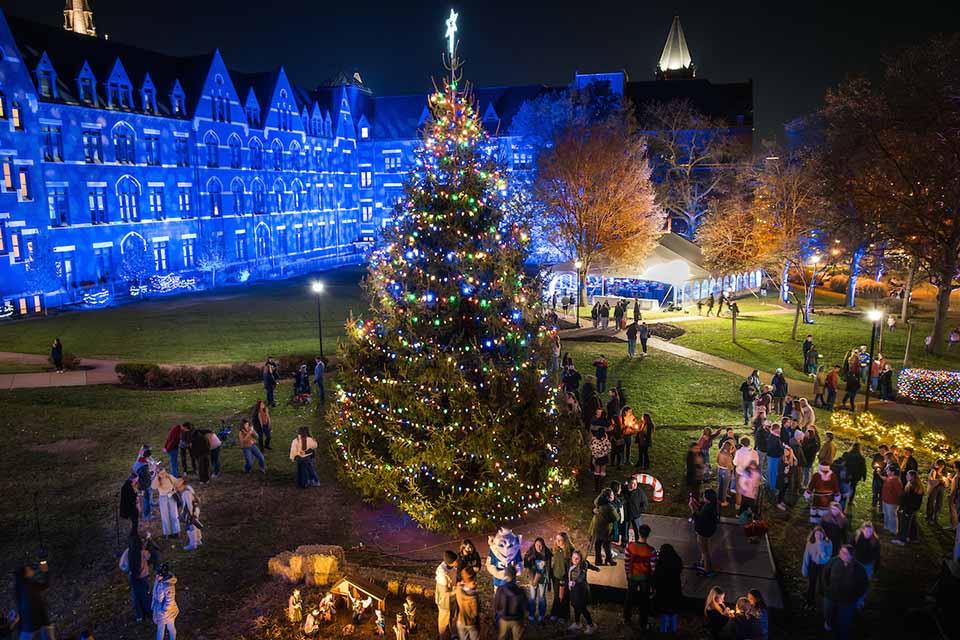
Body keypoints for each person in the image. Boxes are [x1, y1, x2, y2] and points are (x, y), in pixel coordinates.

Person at [820, 545, 868, 637]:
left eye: (845, 553)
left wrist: (855, 596)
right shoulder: (834, 561)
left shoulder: (858, 568)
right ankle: (828, 625)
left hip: (847, 600)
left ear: (851, 555)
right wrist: (826, 588)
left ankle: (841, 634)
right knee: (828, 613)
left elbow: (864, 584)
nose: (841, 554)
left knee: (844, 621)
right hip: (831, 595)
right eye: (841, 552)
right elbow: (825, 573)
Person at [623, 523, 656, 628]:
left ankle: (626, 618)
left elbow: (626, 561)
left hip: (632, 576)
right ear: (648, 535)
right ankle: (643, 622)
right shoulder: (651, 551)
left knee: (629, 598)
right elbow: (653, 568)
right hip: (644, 579)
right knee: (644, 601)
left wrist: (627, 573)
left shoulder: (630, 546)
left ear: (639, 533)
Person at [14, 561, 54, 640]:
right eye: (29, 570)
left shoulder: (20, 586)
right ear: (25, 573)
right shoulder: (29, 585)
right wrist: (46, 572)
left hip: (28, 624)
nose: (32, 570)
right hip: (35, 622)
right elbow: (45, 585)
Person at [119, 532, 153, 622]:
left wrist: (129, 569)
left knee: (135, 595)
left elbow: (122, 565)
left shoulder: (127, 551)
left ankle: (139, 616)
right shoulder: (142, 552)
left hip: (132, 577)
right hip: (143, 578)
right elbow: (149, 556)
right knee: (145, 595)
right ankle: (149, 612)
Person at [567, 551, 598, 634]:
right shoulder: (571, 565)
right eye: (573, 558)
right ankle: (577, 623)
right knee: (575, 606)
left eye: (577, 558)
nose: (574, 560)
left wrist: (575, 582)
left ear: (581, 559)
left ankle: (591, 625)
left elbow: (582, 576)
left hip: (581, 589)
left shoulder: (583, 565)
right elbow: (591, 566)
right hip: (573, 590)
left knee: (582, 607)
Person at [653, 543, 682, 634]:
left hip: (663, 593)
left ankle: (664, 630)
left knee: (664, 612)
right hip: (675, 591)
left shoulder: (660, 564)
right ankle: (673, 630)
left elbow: (656, 577)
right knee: (673, 612)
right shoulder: (677, 562)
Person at [802, 526, 833, 607]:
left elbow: (827, 558)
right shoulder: (810, 543)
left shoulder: (828, 543)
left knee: (823, 583)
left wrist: (821, 546)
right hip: (813, 565)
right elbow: (806, 556)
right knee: (812, 583)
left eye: (820, 534)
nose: (818, 536)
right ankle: (809, 600)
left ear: (823, 534)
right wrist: (804, 569)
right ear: (814, 535)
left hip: (823, 566)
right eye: (817, 534)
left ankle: (822, 603)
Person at [523, 537, 551, 624]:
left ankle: (541, 614)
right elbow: (527, 567)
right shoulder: (530, 554)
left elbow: (549, 567)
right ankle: (531, 614)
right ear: (534, 545)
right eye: (537, 545)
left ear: (544, 545)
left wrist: (548, 579)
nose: (539, 547)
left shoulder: (547, 553)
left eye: (541, 545)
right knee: (532, 597)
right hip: (533, 579)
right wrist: (532, 579)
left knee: (542, 597)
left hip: (543, 579)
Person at [494, 565, 527, 640]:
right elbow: (525, 606)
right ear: (515, 576)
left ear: (506, 576)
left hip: (504, 618)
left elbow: (496, 605)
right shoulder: (521, 591)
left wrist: (498, 613)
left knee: (502, 637)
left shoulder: (500, 590)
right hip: (517, 619)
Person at [892, 470, 923, 545]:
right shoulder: (913, 485)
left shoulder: (913, 487)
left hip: (909, 508)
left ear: (912, 477)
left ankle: (902, 539)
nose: (906, 476)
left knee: (904, 523)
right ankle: (913, 537)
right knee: (912, 523)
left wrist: (902, 506)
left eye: (907, 475)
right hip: (912, 508)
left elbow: (908, 499)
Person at [694, 489, 719, 576]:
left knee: (704, 551)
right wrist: (696, 504)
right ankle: (703, 563)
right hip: (709, 531)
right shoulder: (712, 506)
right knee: (705, 549)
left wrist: (692, 509)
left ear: (707, 498)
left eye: (704, 496)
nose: (703, 497)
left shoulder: (706, 510)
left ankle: (707, 570)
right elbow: (702, 511)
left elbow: (698, 519)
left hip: (703, 532)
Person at [589, 488, 617, 566]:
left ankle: (598, 560)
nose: (613, 496)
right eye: (611, 495)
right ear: (608, 497)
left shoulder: (598, 503)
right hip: (605, 528)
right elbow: (616, 517)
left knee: (598, 544)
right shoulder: (609, 507)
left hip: (597, 527)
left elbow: (595, 504)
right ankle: (609, 559)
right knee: (607, 545)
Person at [549, 533, 573, 623]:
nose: (558, 541)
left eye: (560, 540)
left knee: (564, 597)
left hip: (566, 577)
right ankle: (555, 613)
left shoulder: (570, 551)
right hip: (556, 577)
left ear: (565, 540)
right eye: (557, 539)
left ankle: (564, 616)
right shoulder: (555, 550)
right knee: (556, 596)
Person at [152, 564, 179, 640]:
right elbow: (155, 593)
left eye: (158, 574)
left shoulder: (168, 586)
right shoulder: (159, 581)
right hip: (160, 610)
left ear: (163, 575)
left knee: (169, 627)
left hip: (166, 612)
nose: (156, 576)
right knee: (161, 628)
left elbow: (169, 600)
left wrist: (164, 611)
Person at [152, 467, 181, 538]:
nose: (163, 474)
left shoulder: (169, 477)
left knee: (174, 514)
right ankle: (167, 533)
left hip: (171, 496)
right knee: (165, 516)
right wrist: (156, 477)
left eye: (164, 472)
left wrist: (175, 489)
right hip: (163, 498)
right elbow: (153, 487)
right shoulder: (157, 480)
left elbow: (177, 482)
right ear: (158, 474)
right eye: (161, 473)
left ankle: (176, 531)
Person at [435, 550, 457, 640]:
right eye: (456, 561)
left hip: (452, 599)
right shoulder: (442, 575)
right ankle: (442, 636)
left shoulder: (452, 567)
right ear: (451, 562)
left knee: (453, 617)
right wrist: (457, 590)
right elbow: (444, 593)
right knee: (443, 620)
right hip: (444, 601)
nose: (458, 562)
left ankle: (453, 635)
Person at [455, 568, 481, 640]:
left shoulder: (458, 589)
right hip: (471, 623)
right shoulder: (474, 597)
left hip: (460, 620)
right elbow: (475, 612)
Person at [776, 445, 803, 511]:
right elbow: (779, 469)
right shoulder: (782, 458)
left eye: (787, 451)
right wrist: (784, 471)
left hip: (788, 478)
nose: (785, 452)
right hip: (782, 478)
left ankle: (781, 501)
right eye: (784, 451)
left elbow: (793, 469)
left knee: (784, 491)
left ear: (790, 452)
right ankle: (778, 503)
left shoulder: (791, 460)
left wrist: (792, 467)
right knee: (781, 491)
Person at [880, 464, 904, 534]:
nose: (886, 471)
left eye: (888, 470)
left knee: (892, 515)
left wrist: (899, 502)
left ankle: (893, 530)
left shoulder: (896, 480)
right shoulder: (889, 478)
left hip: (892, 502)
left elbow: (899, 493)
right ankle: (887, 527)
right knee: (886, 514)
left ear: (892, 472)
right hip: (885, 500)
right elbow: (884, 479)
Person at [623, 475, 647, 542]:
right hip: (626, 515)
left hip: (636, 515)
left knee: (638, 530)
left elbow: (645, 503)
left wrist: (639, 511)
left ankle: (638, 542)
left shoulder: (640, 492)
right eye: (632, 483)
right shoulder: (623, 490)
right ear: (628, 483)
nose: (633, 485)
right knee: (624, 531)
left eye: (635, 484)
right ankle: (624, 542)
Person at [927, 459, 948, 524]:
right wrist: (939, 480)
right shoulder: (933, 471)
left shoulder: (944, 472)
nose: (941, 467)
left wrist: (945, 482)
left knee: (939, 502)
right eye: (940, 465)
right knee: (931, 501)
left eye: (942, 465)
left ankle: (935, 516)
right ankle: (929, 516)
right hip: (934, 488)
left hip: (941, 488)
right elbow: (931, 480)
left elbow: (946, 482)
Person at [716, 440, 735, 507]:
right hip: (726, 471)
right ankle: (723, 501)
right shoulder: (729, 455)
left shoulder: (720, 452)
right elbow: (729, 465)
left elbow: (717, 460)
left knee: (719, 485)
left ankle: (718, 498)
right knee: (725, 487)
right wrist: (731, 470)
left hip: (719, 469)